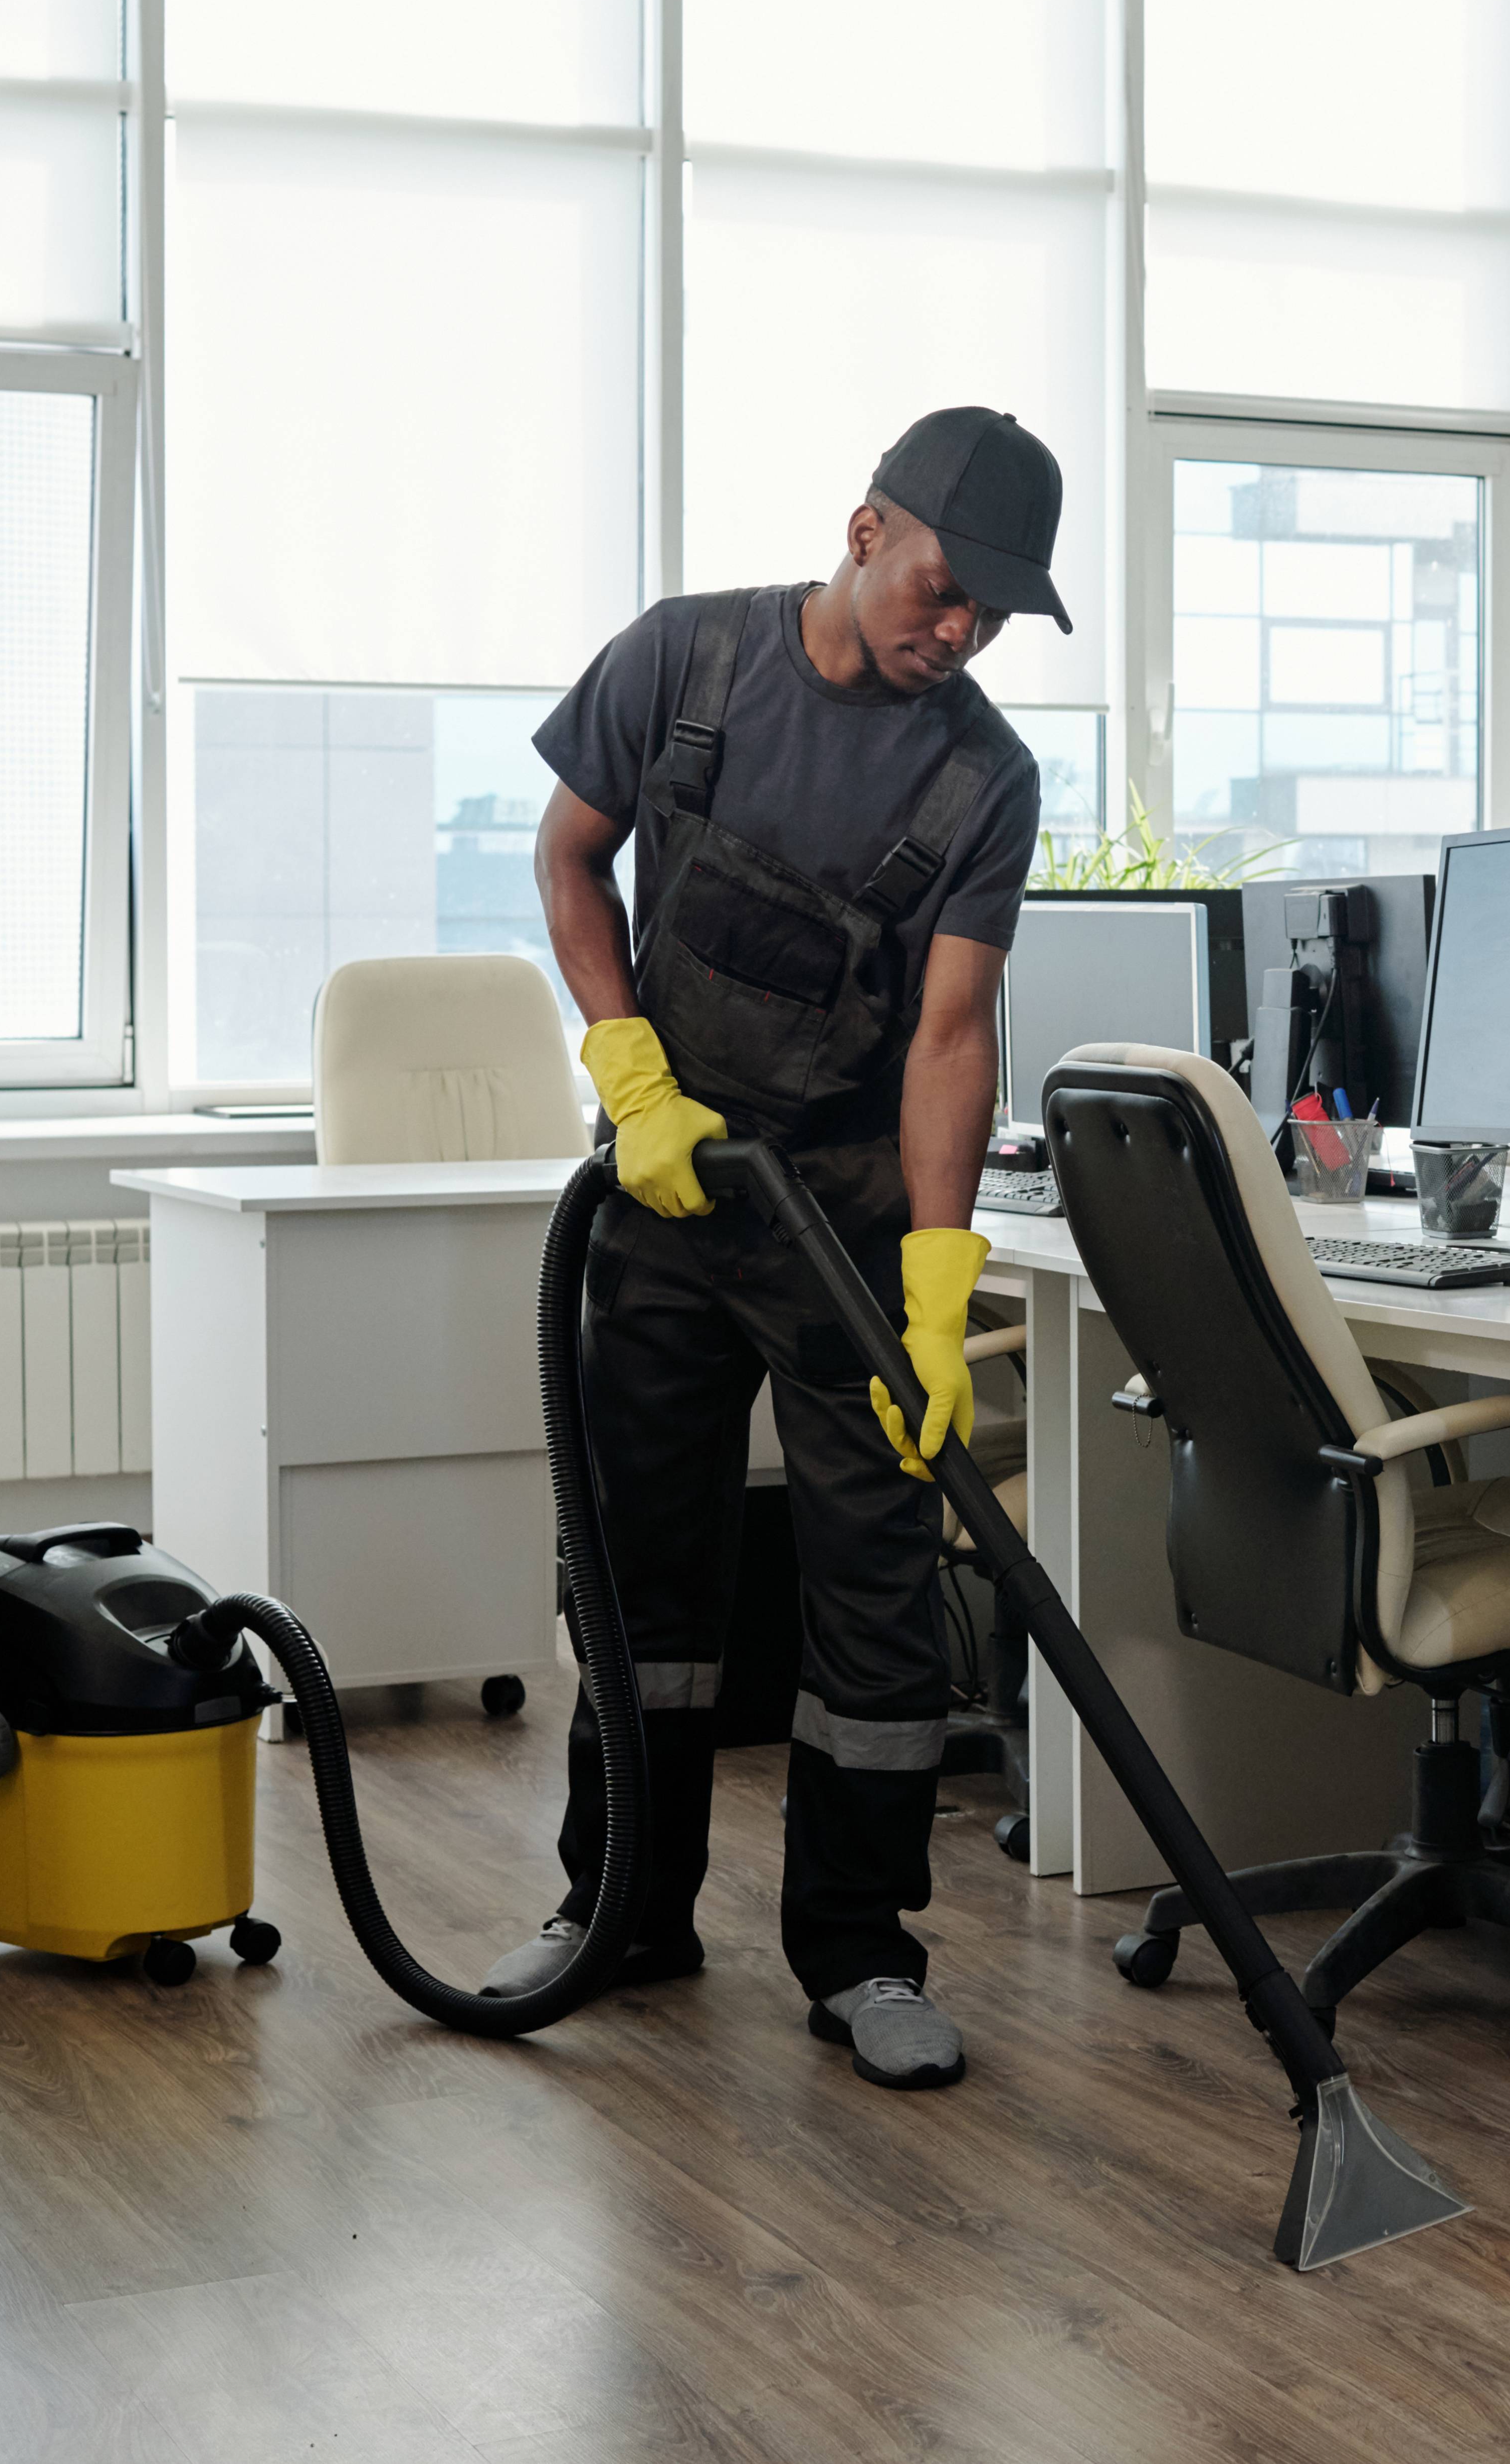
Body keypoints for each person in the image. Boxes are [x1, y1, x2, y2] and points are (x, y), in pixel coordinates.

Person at [494, 405, 1061, 2089]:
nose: (955, 634)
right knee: (640, 1573)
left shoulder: (984, 780)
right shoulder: (687, 667)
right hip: (667, 1198)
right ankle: (623, 1913)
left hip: (848, 1228)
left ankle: (861, 1950)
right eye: (945, 588)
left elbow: (951, 1038)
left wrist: (941, 1288)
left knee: (876, 1600)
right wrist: (626, 1062)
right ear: (867, 526)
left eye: (991, 618)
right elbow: (570, 852)